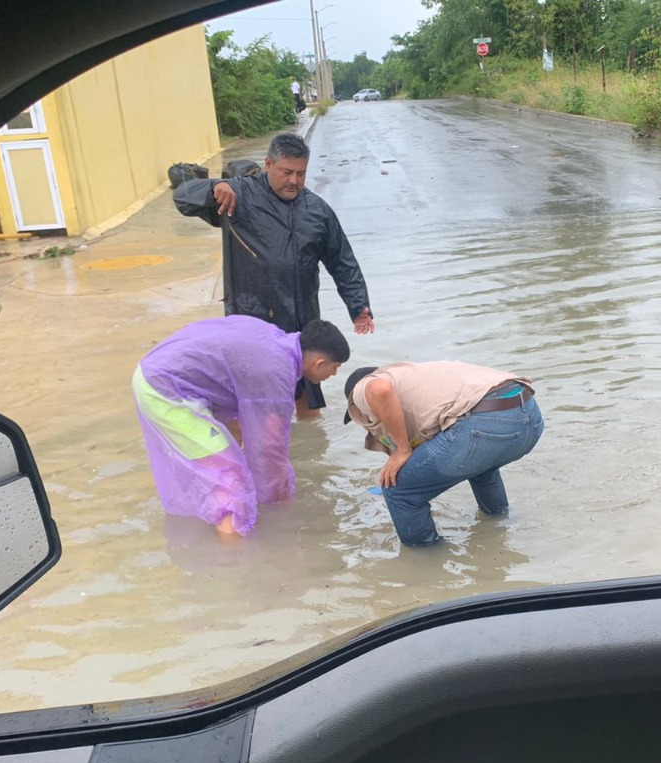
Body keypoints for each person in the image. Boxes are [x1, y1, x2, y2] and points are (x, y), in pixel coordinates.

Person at [173, 133, 373, 421]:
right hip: (253, 319)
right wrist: (214, 187)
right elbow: (183, 197)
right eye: (286, 172)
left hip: (303, 318)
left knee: (307, 396)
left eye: (301, 174)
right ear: (268, 164)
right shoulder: (238, 196)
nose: (294, 180)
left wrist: (359, 307)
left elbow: (342, 262)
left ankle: (311, 456)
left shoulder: (317, 210)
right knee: (258, 404)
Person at [133, 317, 349, 537]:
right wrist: (282, 508)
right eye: (335, 368)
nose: (334, 375)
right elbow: (269, 451)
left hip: (157, 367)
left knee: (231, 443)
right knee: (231, 487)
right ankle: (236, 562)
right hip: (165, 390)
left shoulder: (275, 340)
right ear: (319, 363)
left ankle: (214, 521)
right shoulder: (276, 373)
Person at [343, 362, 544, 546]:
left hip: (483, 422)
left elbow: (380, 390)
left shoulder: (366, 385)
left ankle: (427, 563)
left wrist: (403, 450)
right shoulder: (417, 379)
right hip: (529, 414)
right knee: (480, 467)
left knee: (400, 491)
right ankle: (500, 523)